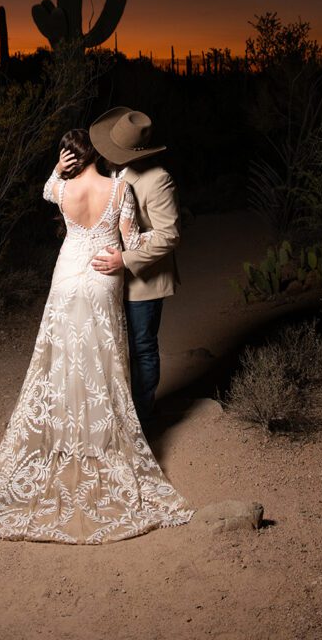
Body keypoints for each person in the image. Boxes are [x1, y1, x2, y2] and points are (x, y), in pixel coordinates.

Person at [0, 128, 194, 544]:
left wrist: (57, 170)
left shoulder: (60, 190)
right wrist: (145, 241)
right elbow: (130, 242)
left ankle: (61, 441)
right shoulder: (119, 190)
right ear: (97, 154)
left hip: (66, 278)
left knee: (60, 358)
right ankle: (101, 440)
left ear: (69, 158)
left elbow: (46, 189)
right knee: (103, 361)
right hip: (101, 278)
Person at [88, 107, 180, 429]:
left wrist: (124, 260)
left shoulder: (158, 180)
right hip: (111, 281)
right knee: (117, 348)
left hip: (144, 282)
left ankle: (143, 419)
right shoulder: (111, 173)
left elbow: (169, 234)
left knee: (141, 347)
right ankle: (124, 414)